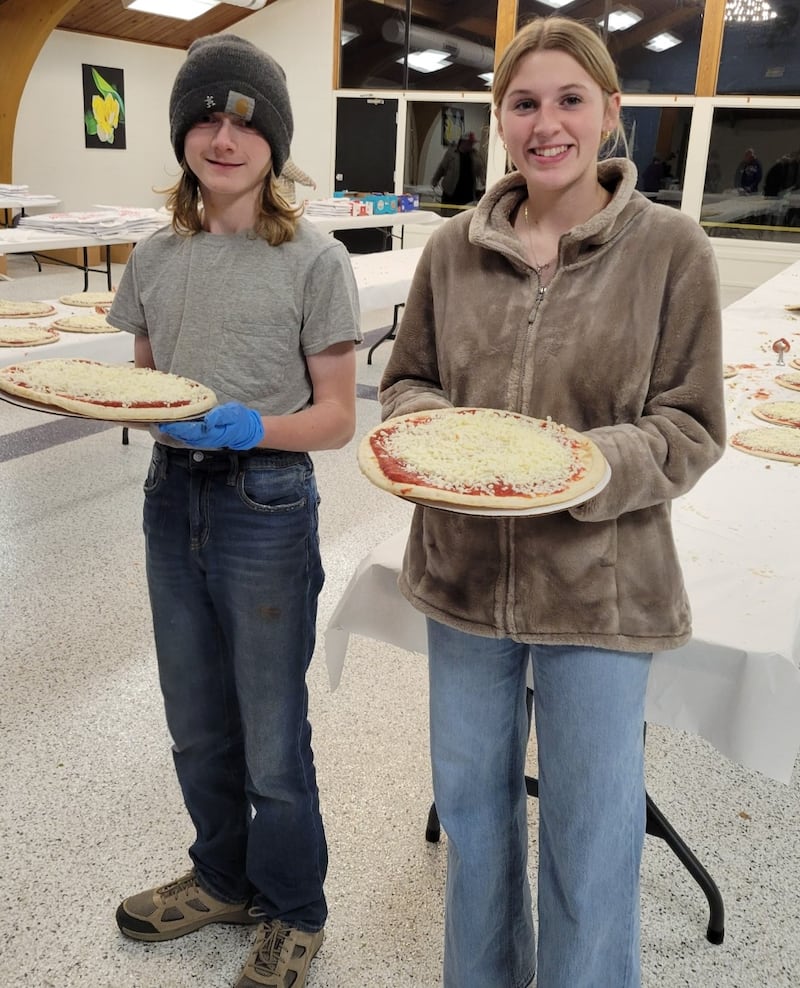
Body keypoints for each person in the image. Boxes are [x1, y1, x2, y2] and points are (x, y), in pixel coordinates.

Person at [379, 16, 725, 988]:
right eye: (523, 102)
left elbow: (688, 424)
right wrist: (447, 444)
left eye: (569, 98)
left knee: (589, 829)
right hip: (462, 578)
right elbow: (405, 385)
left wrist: (569, 465)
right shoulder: (451, 250)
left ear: (610, 112)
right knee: (477, 821)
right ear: (499, 120)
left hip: (600, 591)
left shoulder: (671, 251)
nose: (546, 123)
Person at [106, 34, 361, 988]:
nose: (222, 137)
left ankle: (295, 906)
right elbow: (143, 386)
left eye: (242, 121)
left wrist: (258, 426)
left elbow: (336, 419)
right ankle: (221, 877)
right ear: (183, 135)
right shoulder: (155, 256)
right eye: (204, 118)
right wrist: (150, 414)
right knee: (194, 719)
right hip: (172, 501)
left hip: (267, 502)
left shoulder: (314, 259)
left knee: (269, 728)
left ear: (274, 142)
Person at [432, 131, 486, 211]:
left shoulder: (475, 155)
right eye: (469, 143)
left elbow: (481, 170)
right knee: (448, 215)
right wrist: (435, 181)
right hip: (451, 192)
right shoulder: (451, 153)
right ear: (463, 142)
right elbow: (442, 168)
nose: (471, 145)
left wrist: (484, 182)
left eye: (472, 143)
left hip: (468, 195)